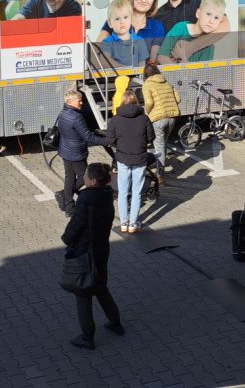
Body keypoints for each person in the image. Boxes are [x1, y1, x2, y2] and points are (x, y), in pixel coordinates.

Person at [61, 162, 122, 349]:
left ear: (93, 181)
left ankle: (87, 337)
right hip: (101, 249)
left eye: (86, 176)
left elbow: (76, 225)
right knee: (101, 287)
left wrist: (67, 239)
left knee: (83, 293)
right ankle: (116, 322)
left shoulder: (86, 200)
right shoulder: (106, 196)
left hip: (85, 252)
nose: (84, 178)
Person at [103, 90, 156, 234]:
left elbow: (109, 140)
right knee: (137, 192)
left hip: (123, 159)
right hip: (140, 158)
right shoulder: (144, 118)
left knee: (123, 192)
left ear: (122, 102)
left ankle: (123, 223)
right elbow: (151, 138)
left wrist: (119, 145)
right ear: (136, 102)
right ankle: (133, 224)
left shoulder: (115, 119)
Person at [56, 90, 106, 216]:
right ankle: (64, 195)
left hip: (65, 150)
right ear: (70, 101)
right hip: (76, 153)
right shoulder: (77, 117)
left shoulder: (62, 113)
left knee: (70, 177)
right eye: (79, 100)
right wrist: (105, 141)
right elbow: (88, 137)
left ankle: (69, 207)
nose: (82, 103)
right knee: (85, 177)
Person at [94, 0, 167, 61]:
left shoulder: (157, 27)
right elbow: (95, 53)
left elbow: (154, 61)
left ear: (154, 0)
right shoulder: (116, 19)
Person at [158, 0, 227, 63]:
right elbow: (161, 57)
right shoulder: (180, 28)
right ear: (198, 13)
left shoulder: (209, 47)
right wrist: (174, 68)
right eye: (208, 14)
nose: (211, 21)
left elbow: (201, 70)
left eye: (216, 18)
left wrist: (182, 59)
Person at [139, 60, 180, 177]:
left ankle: (160, 174)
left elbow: (149, 103)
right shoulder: (166, 82)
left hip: (158, 119)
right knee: (163, 144)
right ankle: (159, 167)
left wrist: (146, 112)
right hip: (172, 117)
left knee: (159, 146)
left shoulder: (147, 85)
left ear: (145, 73)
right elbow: (178, 98)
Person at [98, 0, 149, 67]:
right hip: (116, 74)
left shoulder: (139, 41)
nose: (122, 22)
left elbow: (142, 64)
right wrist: (124, 70)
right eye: (117, 19)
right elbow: (105, 60)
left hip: (136, 74)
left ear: (131, 19)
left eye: (125, 17)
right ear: (110, 23)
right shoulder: (107, 42)